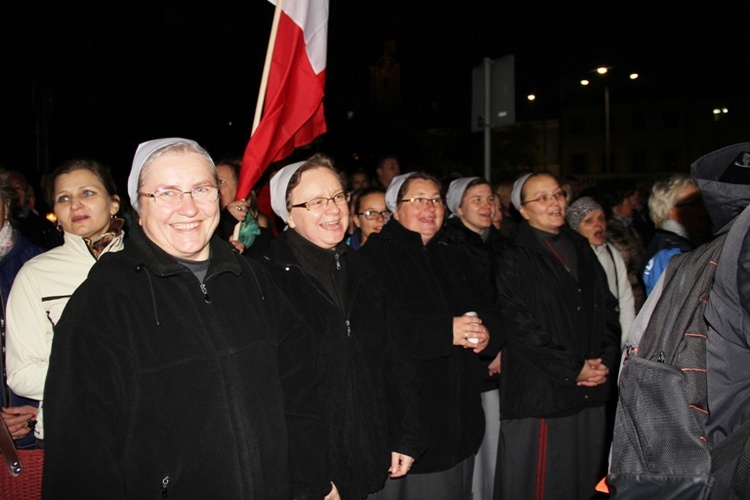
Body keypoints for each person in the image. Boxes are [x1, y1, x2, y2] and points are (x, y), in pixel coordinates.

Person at [40, 138, 336, 499]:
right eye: (167, 193)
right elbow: (79, 453)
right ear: (138, 205)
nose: (189, 208)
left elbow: (300, 396)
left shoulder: (255, 281)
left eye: (201, 189)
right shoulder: (103, 302)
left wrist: (312, 483)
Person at [262, 155, 423, 499]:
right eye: (316, 202)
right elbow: (271, 397)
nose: (333, 210)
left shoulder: (364, 269)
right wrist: (311, 479)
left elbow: (394, 360)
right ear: (287, 214)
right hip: (309, 476)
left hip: (370, 455)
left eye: (337, 196)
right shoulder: (264, 280)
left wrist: (404, 433)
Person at [362, 172, 502, 500]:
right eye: (419, 200)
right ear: (395, 211)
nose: (430, 207)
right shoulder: (374, 259)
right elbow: (379, 334)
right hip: (411, 427)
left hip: (460, 424)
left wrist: (487, 334)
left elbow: (492, 307)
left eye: (436, 200)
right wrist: (445, 332)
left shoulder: (456, 254)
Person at [493, 172, 620, 500]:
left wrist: (605, 360)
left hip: (590, 390)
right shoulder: (512, 255)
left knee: (584, 483)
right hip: (542, 393)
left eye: (558, 194)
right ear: (523, 210)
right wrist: (572, 367)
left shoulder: (580, 246)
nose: (555, 203)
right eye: (542, 198)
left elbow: (607, 308)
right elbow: (518, 324)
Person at [5, 159, 124, 450]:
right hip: (71, 435)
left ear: (114, 204)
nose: (75, 205)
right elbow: (21, 375)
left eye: (87, 193)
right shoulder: (36, 273)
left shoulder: (146, 264)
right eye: (63, 198)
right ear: (56, 212)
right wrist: (106, 375)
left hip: (147, 429)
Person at [443, 177, 505, 500]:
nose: (487, 206)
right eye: (477, 199)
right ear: (458, 206)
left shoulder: (496, 243)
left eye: (490, 199)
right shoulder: (451, 246)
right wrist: (491, 349)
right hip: (475, 364)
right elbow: (469, 305)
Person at [0, 171, 46, 448]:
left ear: (6, 205)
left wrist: (44, 411)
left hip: (34, 436)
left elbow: (71, 352)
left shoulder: (42, 265)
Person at [567, 196, 635, 348]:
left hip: (612, 335)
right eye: (589, 221)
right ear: (575, 227)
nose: (598, 224)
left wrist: (626, 340)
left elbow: (625, 297)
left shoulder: (611, 252)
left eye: (601, 218)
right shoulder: (571, 258)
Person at [642, 174, 710, 294]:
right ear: (672, 211)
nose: (703, 209)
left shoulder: (677, 244)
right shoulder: (670, 254)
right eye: (695, 204)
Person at [599, 181, 647, 312]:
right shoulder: (608, 231)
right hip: (624, 302)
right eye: (630, 198)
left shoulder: (631, 227)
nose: (634, 203)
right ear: (617, 201)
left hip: (637, 300)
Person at [214, 157, 272, 256]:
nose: (214, 187)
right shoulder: (203, 221)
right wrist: (227, 220)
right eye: (211, 182)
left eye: (220, 182)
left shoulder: (258, 224)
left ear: (240, 189)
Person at [6, 170, 62, 249]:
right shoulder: (4, 226)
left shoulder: (44, 225)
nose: (14, 193)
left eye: (18, 188)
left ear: (27, 194)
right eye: (10, 189)